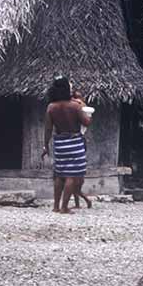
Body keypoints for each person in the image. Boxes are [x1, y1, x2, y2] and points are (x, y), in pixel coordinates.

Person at [42, 76, 92, 213]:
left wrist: (45, 146)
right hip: (75, 141)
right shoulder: (75, 106)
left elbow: (48, 129)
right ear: (66, 89)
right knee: (72, 175)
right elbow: (87, 122)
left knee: (60, 175)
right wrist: (83, 107)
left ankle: (56, 206)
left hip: (60, 142)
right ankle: (64, 207)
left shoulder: (51, 107)